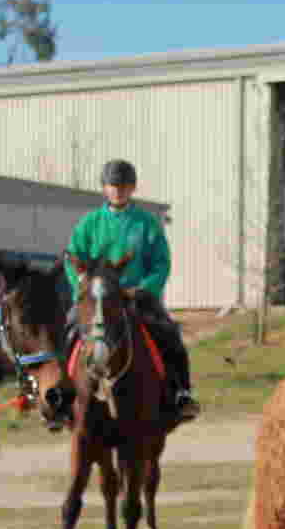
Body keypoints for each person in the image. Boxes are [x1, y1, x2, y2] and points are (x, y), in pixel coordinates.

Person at [64, 159, 200, 424]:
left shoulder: (147, 224)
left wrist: (145, 289)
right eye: (113, 185)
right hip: (97, 299)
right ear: (104, 188)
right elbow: (72, 258)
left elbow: (162, 262)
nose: (118, 191)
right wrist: (82, 288)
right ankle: (61, 398)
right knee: (67, 330)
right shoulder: (89, 223)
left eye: (124, 186)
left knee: (170, 335)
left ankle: (180, 394)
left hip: (136, 299)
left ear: (133, 188)